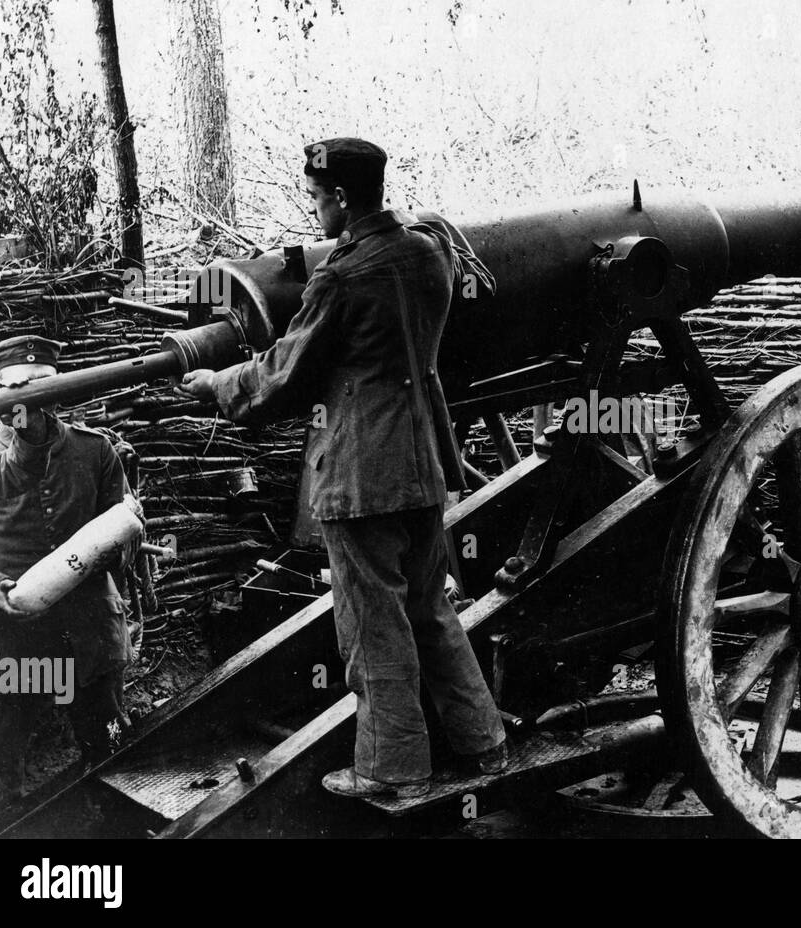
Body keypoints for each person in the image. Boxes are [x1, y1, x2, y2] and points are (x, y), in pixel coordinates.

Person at [176, 137, 506, 801]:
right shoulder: (428, 251)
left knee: (371, 624)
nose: (314, 211)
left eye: (317, 198)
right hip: (423, 463)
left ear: (344, 198)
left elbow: (281, 377)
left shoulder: (342, 275)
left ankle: (391, 769)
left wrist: (214, 383)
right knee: (428, 608)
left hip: (362, 473)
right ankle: (484, 743)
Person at [0, 336, 137, 828]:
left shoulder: (95, 450)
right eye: (16, 391)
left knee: (108, 746)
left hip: (88, 633)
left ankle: (115, 827)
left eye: (43, 388)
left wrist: (114, 543)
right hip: (13, 638)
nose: (29, 402)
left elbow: (122, 534)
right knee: (3, 760)